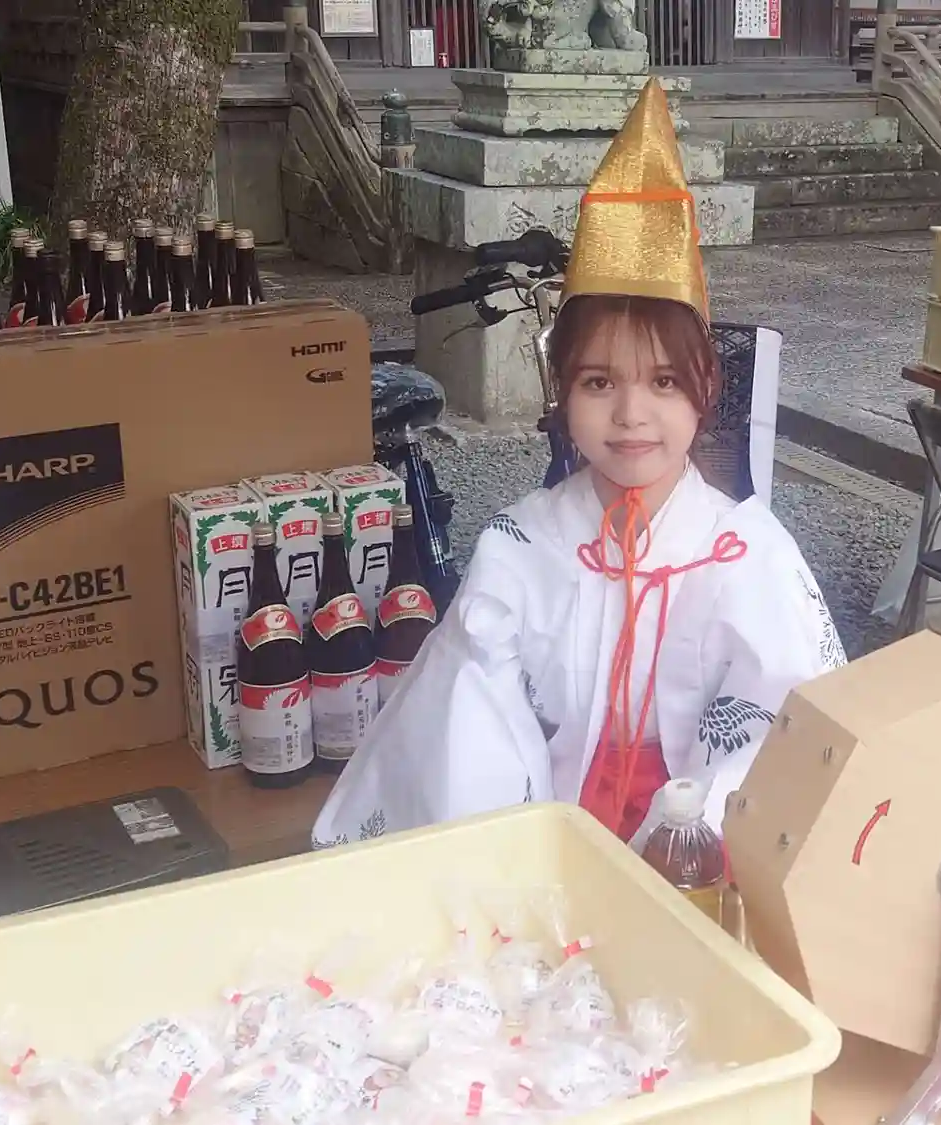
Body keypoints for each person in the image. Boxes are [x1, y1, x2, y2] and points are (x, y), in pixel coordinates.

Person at [311, 78, 846, 850]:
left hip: (699, 845)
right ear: (561, 390)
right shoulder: (522, 544)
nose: (631, 413)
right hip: (548, 828)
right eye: (599, 382)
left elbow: (785, 732)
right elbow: (469, 725)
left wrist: (687, 838)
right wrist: (521, 850)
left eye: (663, 382)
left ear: (706, 389)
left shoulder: (748, 553)